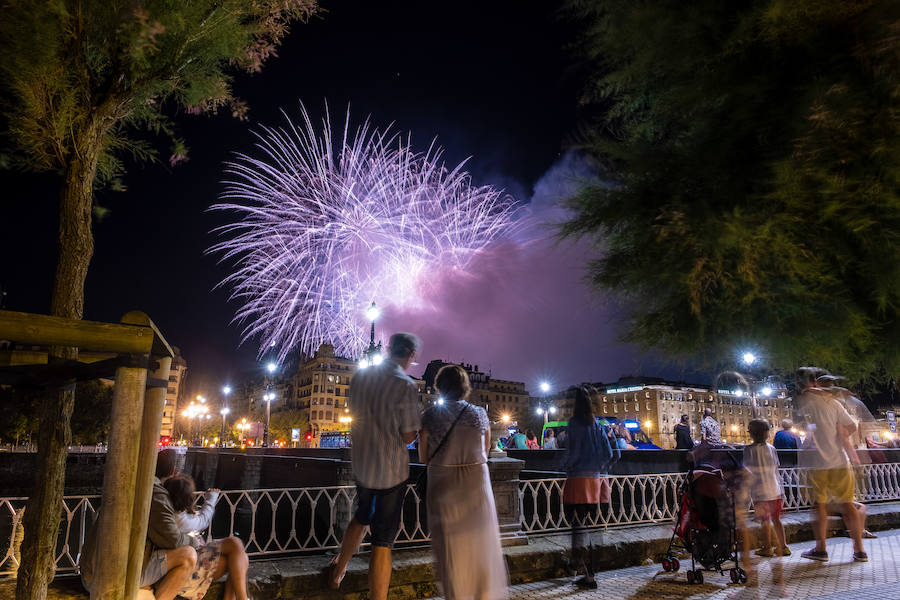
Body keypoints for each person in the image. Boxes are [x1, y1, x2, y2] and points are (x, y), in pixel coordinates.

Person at [328, 333, 422, 599]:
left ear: (389, 349)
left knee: (362, 515)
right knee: (383, 540)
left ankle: (339, 570)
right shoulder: (405, 385)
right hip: (391, 470)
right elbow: (407, 436)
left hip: (363, 463)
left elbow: (354, 416)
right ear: (411, 355)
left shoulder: (360, 377)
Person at [419, 365, 508, 599]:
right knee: (479, 542)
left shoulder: (429, 416)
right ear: (464, 386)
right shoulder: (479, 414)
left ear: (439, 386)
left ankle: (456, 593)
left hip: (443, 482)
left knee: (449, 545)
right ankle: (481, 592)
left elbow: (422, 456)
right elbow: (486, 449)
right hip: (475, 482)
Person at [81, 449, 198, 600]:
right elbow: (172, 539)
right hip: (108, 578)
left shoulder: (130, 484)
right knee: (188, 556)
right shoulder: (155, 495)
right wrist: (194, 541)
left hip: (89, 573)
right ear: (172, 471)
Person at [795, 367, 867, 562]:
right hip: (840, 460)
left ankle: (821, 548)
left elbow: (806, 394)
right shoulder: (833, 402)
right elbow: (852, 426)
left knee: (819, 505)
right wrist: (841, 435)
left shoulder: (806, 399)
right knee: (848, 504)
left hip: (819, 462)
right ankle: (859, 550)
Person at [562, 387, 619, 589]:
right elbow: (612, 454)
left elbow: (572, 453)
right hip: (595, 481)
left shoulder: (574, 424)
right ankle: (589, 573)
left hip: (577, 480)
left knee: (578, 526)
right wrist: (600, 469)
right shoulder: (598, 425)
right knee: (591, 527)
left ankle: (577, 566)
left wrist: (565, 465)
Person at [163, 473, 250, 600]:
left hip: (186, 563)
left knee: (237, 559)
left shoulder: (169, 513)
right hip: (183, 570)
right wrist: (212, 497)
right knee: (236, 546)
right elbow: (204, 520)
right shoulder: (179, 519)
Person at [743, 419, 790, 557]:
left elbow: (747, 470)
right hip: (775, 490)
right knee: (777, 520)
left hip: (760, 492)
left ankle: (767, 547)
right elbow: (776, 466)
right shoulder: (772, 449)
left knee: (764, 521)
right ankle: (783, 546)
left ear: (752, 434)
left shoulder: (749, 450)